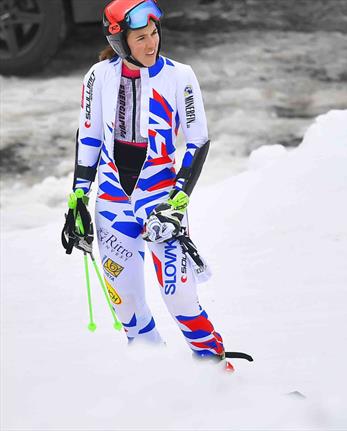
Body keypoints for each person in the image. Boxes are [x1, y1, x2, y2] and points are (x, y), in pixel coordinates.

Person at [62, 0, 226, 362]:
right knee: (128, 306)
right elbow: (88, 138)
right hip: (112, 201)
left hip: (160, 200)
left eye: (154, 34)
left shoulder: (180, 75)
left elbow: (197, 141)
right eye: (140, 38)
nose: (151, 44)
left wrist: (178, 199)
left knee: (181, 299)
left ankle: (217, 374)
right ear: (120, 43)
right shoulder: (98, 76)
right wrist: (77, 199)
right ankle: (155, 383)